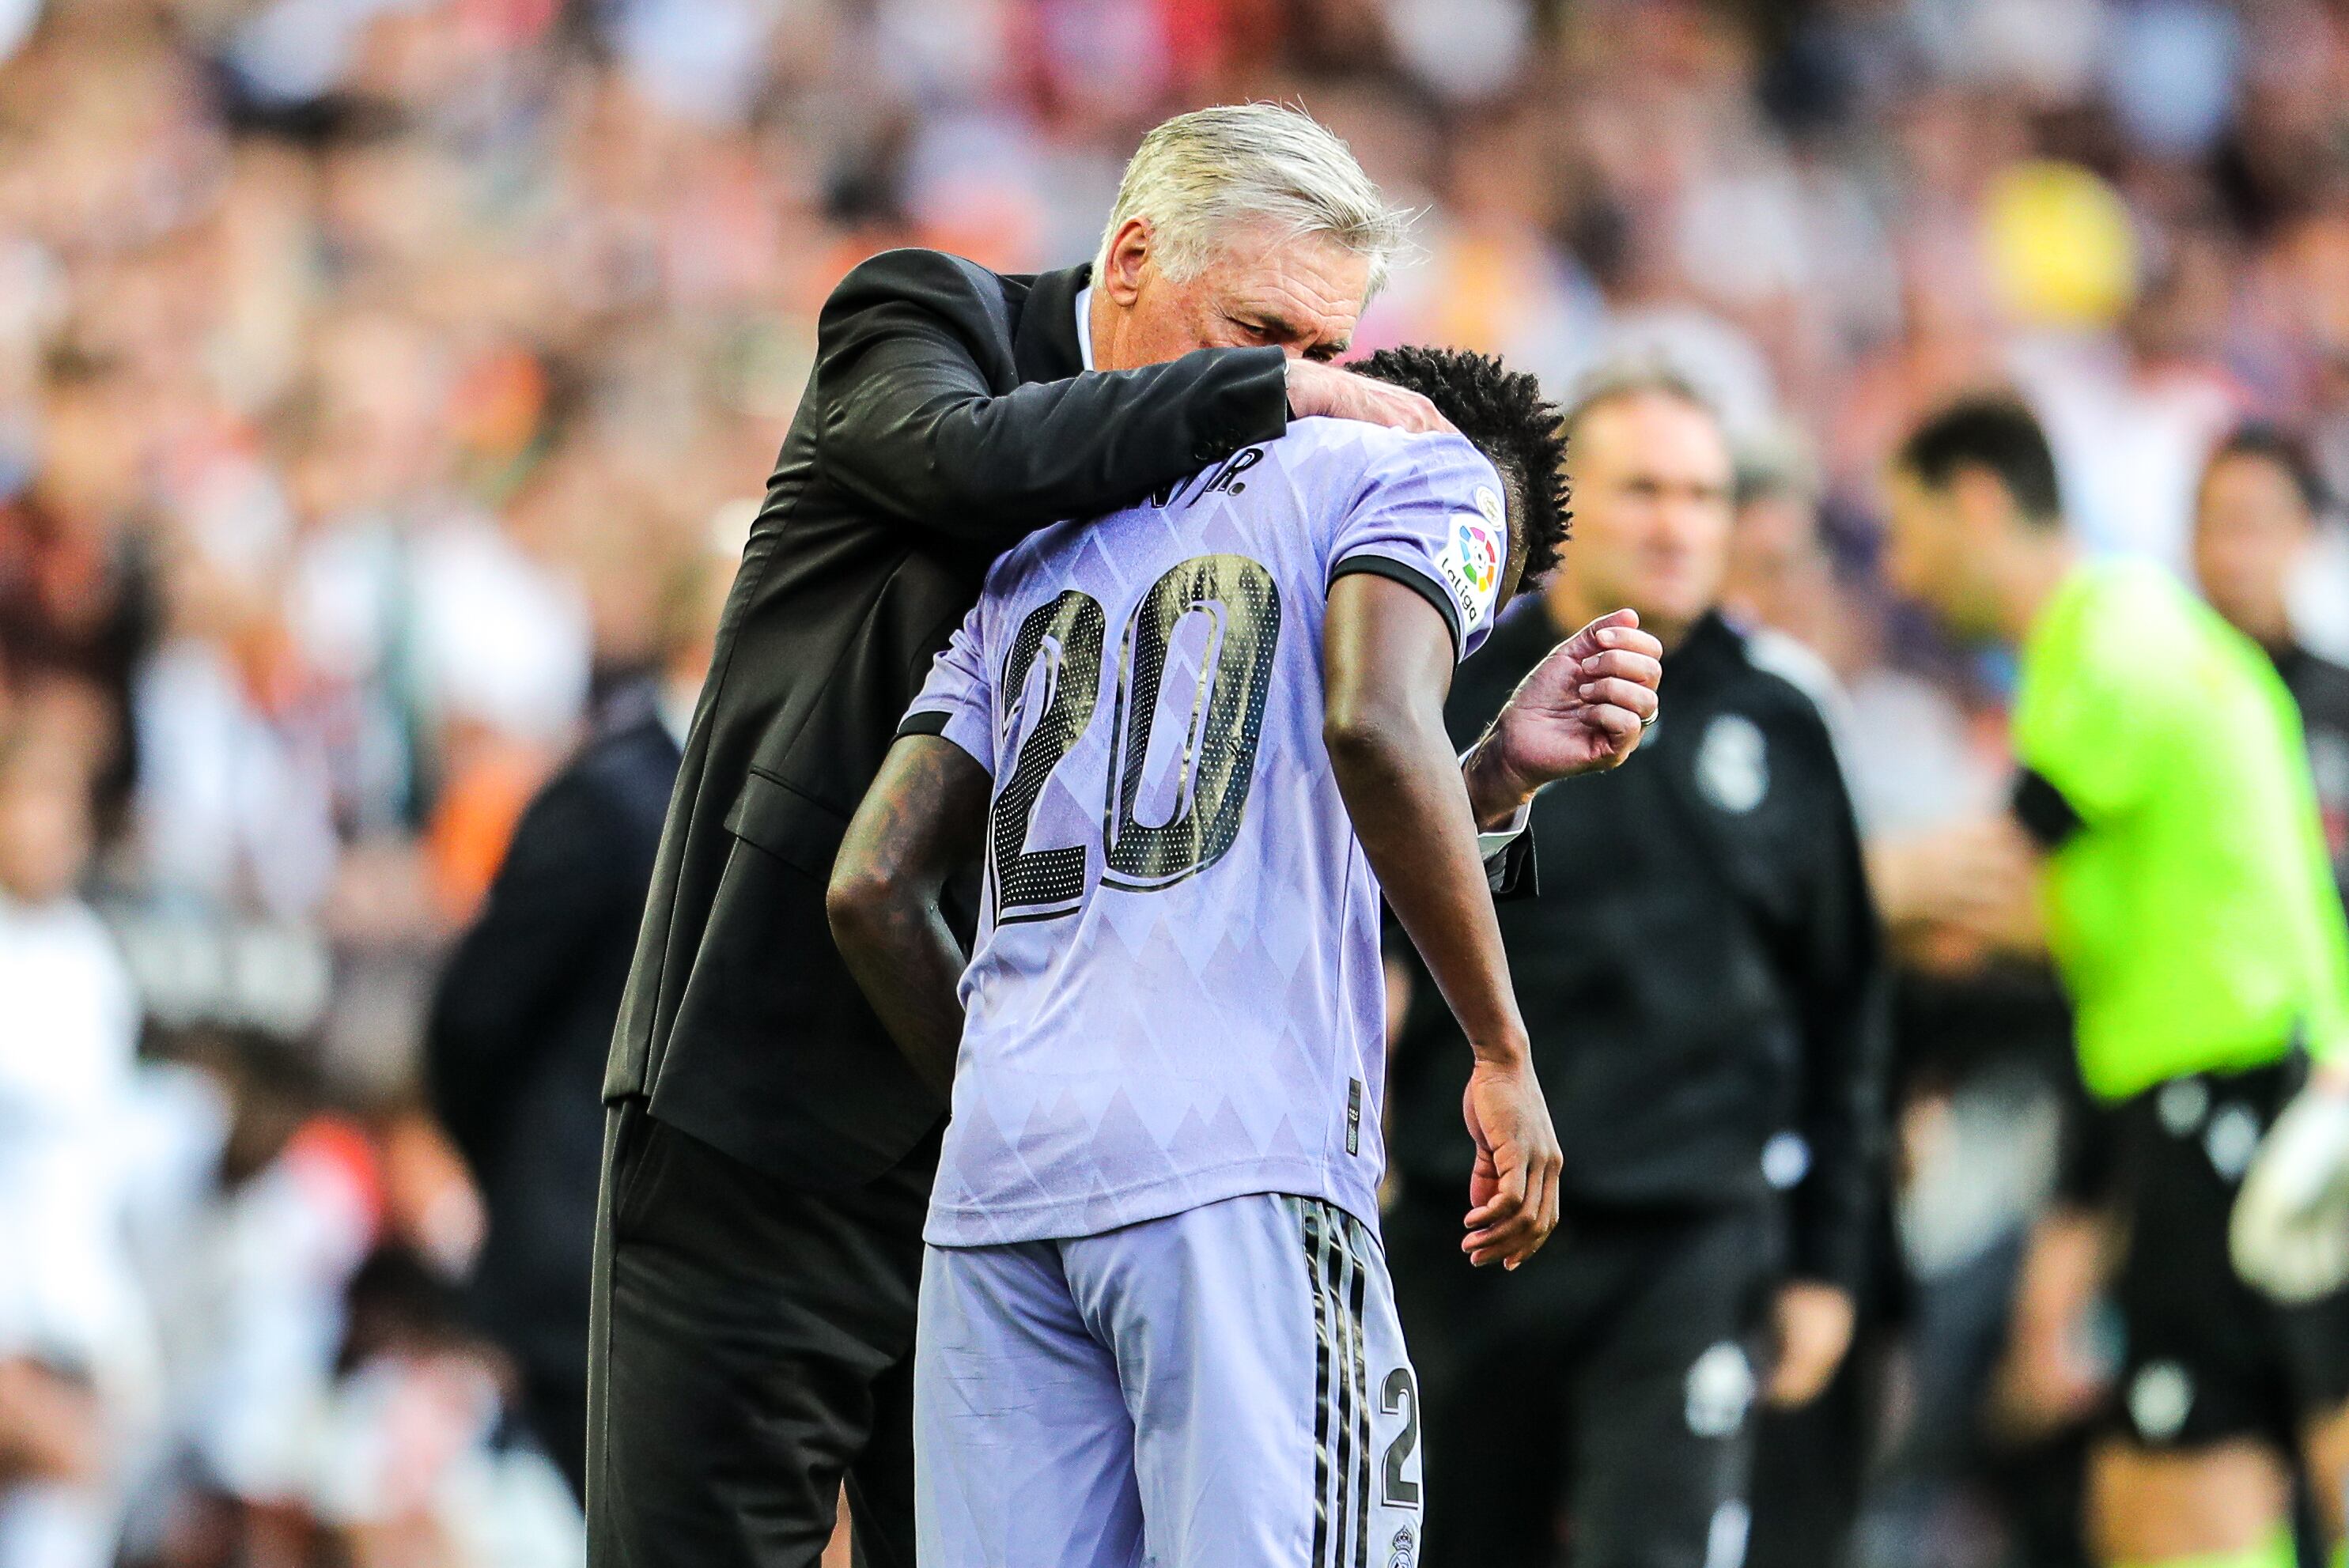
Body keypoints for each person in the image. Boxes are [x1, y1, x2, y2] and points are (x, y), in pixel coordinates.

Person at [590, 104, 1664, 1568]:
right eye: (1262, 329)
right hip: (772, 1116)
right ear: (1137, 251)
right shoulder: (928, 316)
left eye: (1330, 350)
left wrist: (1483, 784)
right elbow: (970, 463)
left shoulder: (1215, 494)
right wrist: (1263, 398)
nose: (1304, 377)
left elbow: (1236, 793)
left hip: (999, 1146)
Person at [826, 344, 1632, 1568]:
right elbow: (1369, 722)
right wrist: (1498, 1045)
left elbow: (874, 885)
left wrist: (1491, 776)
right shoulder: (1432, 472)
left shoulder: (1043, 545)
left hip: (999, 1185)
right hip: (1237, 1160)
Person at [1384, 368, 1889, 1568]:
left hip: (1690, 1238)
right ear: (1564, 509)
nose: (1677, 523)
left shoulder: (1782, 718)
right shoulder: (1445, 684)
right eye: (1643, 489)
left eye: (1704, 494)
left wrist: (1828, 1258)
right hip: (1470, 1232)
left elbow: (1846, 1002)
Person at [1882, 395, 2349, 1568]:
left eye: (1908, 528)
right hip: (2228, 1088)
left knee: (2184, 1488)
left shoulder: (2107, 639)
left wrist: (1838, 891)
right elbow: (2073, 911)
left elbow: (1987, 884)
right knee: (2189, 1476)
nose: (1898, 567)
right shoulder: (2147, 634)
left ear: (1978, 503)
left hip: (2228, 1091)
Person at [426, 512, 736, 1498]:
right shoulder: (607, 799)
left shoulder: (765, 798)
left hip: (705, 1287)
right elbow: (472, 1023)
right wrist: (534, 1191)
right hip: (585, 1282)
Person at [2192, 426, 2349, 902]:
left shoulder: (2340, 702)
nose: (2230, 554)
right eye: (2213, 523)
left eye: (2250, 525)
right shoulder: (2165, 695)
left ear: (2302, 530)